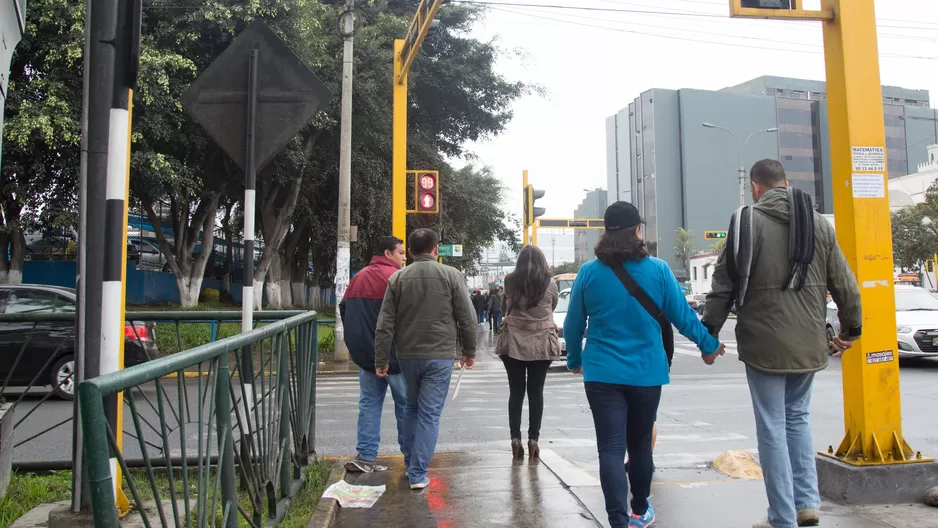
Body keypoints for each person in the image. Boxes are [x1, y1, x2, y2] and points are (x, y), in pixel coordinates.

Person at [702, 160, 862, 528]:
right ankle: (807, 503)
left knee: (772, 426)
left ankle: (781, 516)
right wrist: (851, 330)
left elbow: (723, 286)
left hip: (763, 342)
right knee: (797, 419)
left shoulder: (746, 222)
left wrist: (709, 334)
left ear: (755, 187)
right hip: (808, 340)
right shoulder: (819, 223)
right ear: (786, 184)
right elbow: (845, 282)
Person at [564, 201, 724, 528]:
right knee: (639, 447)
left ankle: (617, 521)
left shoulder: (589, 273)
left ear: (605, 232)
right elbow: (683, 318)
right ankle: (640, 511)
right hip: (646, 373)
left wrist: (575, 360)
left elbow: (573, 324)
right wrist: (709, 346)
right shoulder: (659, 270)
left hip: (602, 373)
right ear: (637, 230)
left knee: (609, 449)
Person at [374, 228, 477, 490]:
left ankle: (411, 465)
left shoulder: (397, 279)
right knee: (430, 414)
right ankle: (418, 473)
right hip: (440, 355)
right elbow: (467, 317)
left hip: (407, 355)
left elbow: (385, 323)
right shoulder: (452, 275)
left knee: (411, 408)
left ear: (409, 252)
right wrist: (469, 351)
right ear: (435, 250)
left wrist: (381, 358)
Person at [339, 236, 407, 473]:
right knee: (406, 406)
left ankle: (366, 457)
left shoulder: (358, 277)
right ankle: (411, 459)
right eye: (400, 253)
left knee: (369, 405)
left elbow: (345, 311)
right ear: (388, 253)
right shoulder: (397, 278)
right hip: (396, 357)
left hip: (366, 358)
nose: (404, 257)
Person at [495, 245, 561, 459]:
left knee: (516, 392)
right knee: (536, 393)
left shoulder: (510, 281)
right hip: (541, 342)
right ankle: (534, 439)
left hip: (513, 341)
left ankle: (515, 439)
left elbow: (506, 307)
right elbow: (552, 306)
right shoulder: (550, 283)